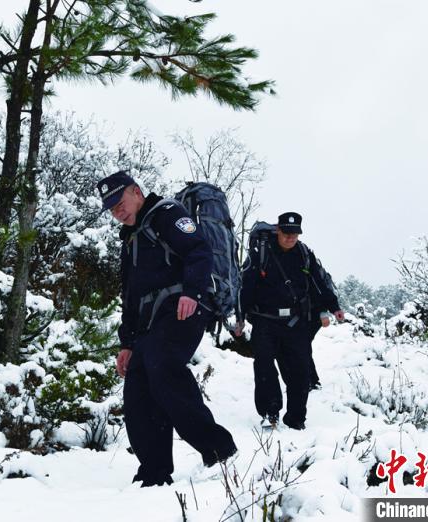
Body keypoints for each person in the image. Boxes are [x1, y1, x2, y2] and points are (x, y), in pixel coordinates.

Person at [97, 170, 237, 487]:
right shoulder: (131, 240)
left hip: (183, 309)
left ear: (136, 191)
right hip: (149, 324)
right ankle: (154, 472)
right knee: (137, 387)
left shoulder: (167, 214)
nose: (118, 211)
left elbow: (198, 251)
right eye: (112, 208)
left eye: (120, 202)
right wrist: (127, 344)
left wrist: (193, 292)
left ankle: (219, 449)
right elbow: (130, 298)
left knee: (163, 365)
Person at [236, 212, 344, 430]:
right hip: (265, 321)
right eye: (286, 233)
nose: (290, 238)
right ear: (278, 230)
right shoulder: (261, 253)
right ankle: (270, 413)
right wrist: (240, 318)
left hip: (296, 322)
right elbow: (246, 287)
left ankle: (296, 419)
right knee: (265, 368)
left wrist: (334, 307)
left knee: (300, 371)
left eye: (295, 234)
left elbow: (318, 283)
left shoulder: (304, 254)